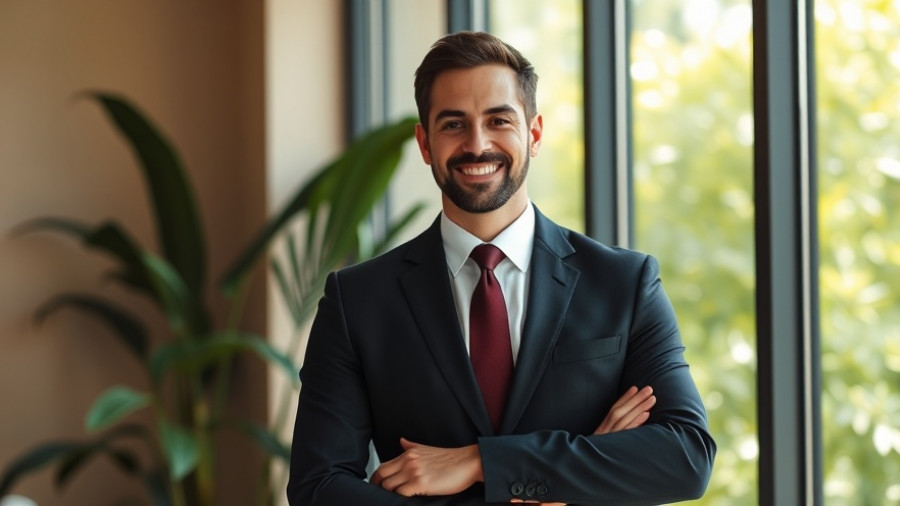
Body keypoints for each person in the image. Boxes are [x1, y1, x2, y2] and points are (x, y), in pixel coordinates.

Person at [287, 31, 715, 505]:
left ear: (533, 134)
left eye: (498, 120)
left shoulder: (625, 284)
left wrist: (478, 462)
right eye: (453, 124)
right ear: (425, 143)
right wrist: (587, 464)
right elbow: (318, 487)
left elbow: (686, 457)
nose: (477, 144)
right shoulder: (358, 301)